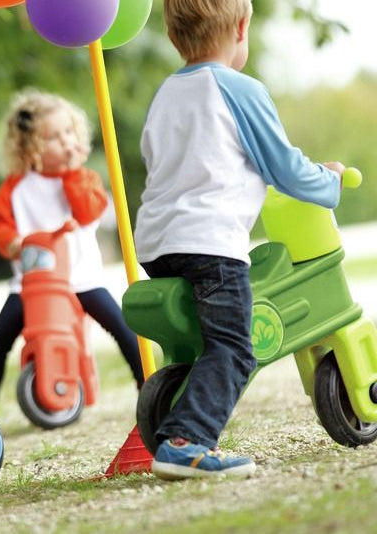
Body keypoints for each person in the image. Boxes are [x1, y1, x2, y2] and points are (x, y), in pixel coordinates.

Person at [135, 0, 345, 480]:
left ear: (173, 36)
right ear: (242, 26)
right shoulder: (239, 88)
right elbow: (286, 168)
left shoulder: (166, 93)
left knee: (204, 340)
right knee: (234, 346)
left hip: (159, 242)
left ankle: (182, 411)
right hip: (209, 243)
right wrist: (328, 180)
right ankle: (186, 441)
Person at [0, 89, 145, 417]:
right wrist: (12, 242)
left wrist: (72, 173)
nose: (66, 140)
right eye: (54, 137)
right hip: (32, 284)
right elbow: (0, 225)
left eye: (69, 131)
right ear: (30, 148)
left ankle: (147, 384)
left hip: (80, 278)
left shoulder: (84, 178)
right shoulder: (16, 187)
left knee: (121, 326)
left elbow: (88, 212)